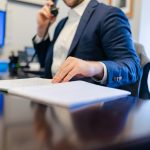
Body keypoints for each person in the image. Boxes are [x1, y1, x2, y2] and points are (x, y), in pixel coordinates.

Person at [33, 0, 141, 91]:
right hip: (52, 96)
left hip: (91, 108)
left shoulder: (109, 15)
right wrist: (42, 30)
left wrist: (93, 68)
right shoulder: (61, 24)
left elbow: (132, 68)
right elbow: (47, 66)